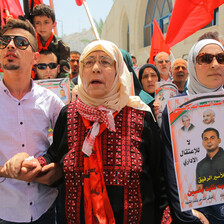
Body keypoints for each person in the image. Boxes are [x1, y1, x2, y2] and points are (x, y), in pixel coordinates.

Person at [6, 40, 168, 224]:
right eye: (89, 62)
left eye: (105, 62)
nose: (96, 68)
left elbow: (160, 179)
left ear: (118, 71)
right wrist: (33, 163)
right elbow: (55, 156)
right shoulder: (68, 115)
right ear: (82, 71)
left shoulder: (141, 116)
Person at [0, 18, 64, 223]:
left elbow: (68, 146)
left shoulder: (52, 101)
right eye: (4, 41)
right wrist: (6, 171)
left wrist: (57, 169)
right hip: (4, 210)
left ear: (35, 57)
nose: (10, 45)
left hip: (45, 208)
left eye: (20, 42)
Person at [162, 39, 224, 224]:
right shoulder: (176, 111)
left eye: (221, 58)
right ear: (192, 65)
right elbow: (170, 168)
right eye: (205, 58)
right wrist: (187, 215)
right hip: (199, 214)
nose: (215, 64)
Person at [31, 4, 70, 77]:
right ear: (33, 25)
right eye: (38, 23)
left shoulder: (62, 46)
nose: (42, 27)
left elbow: (65, 72)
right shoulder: (31, 44)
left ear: (54, 24)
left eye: (46, 22)